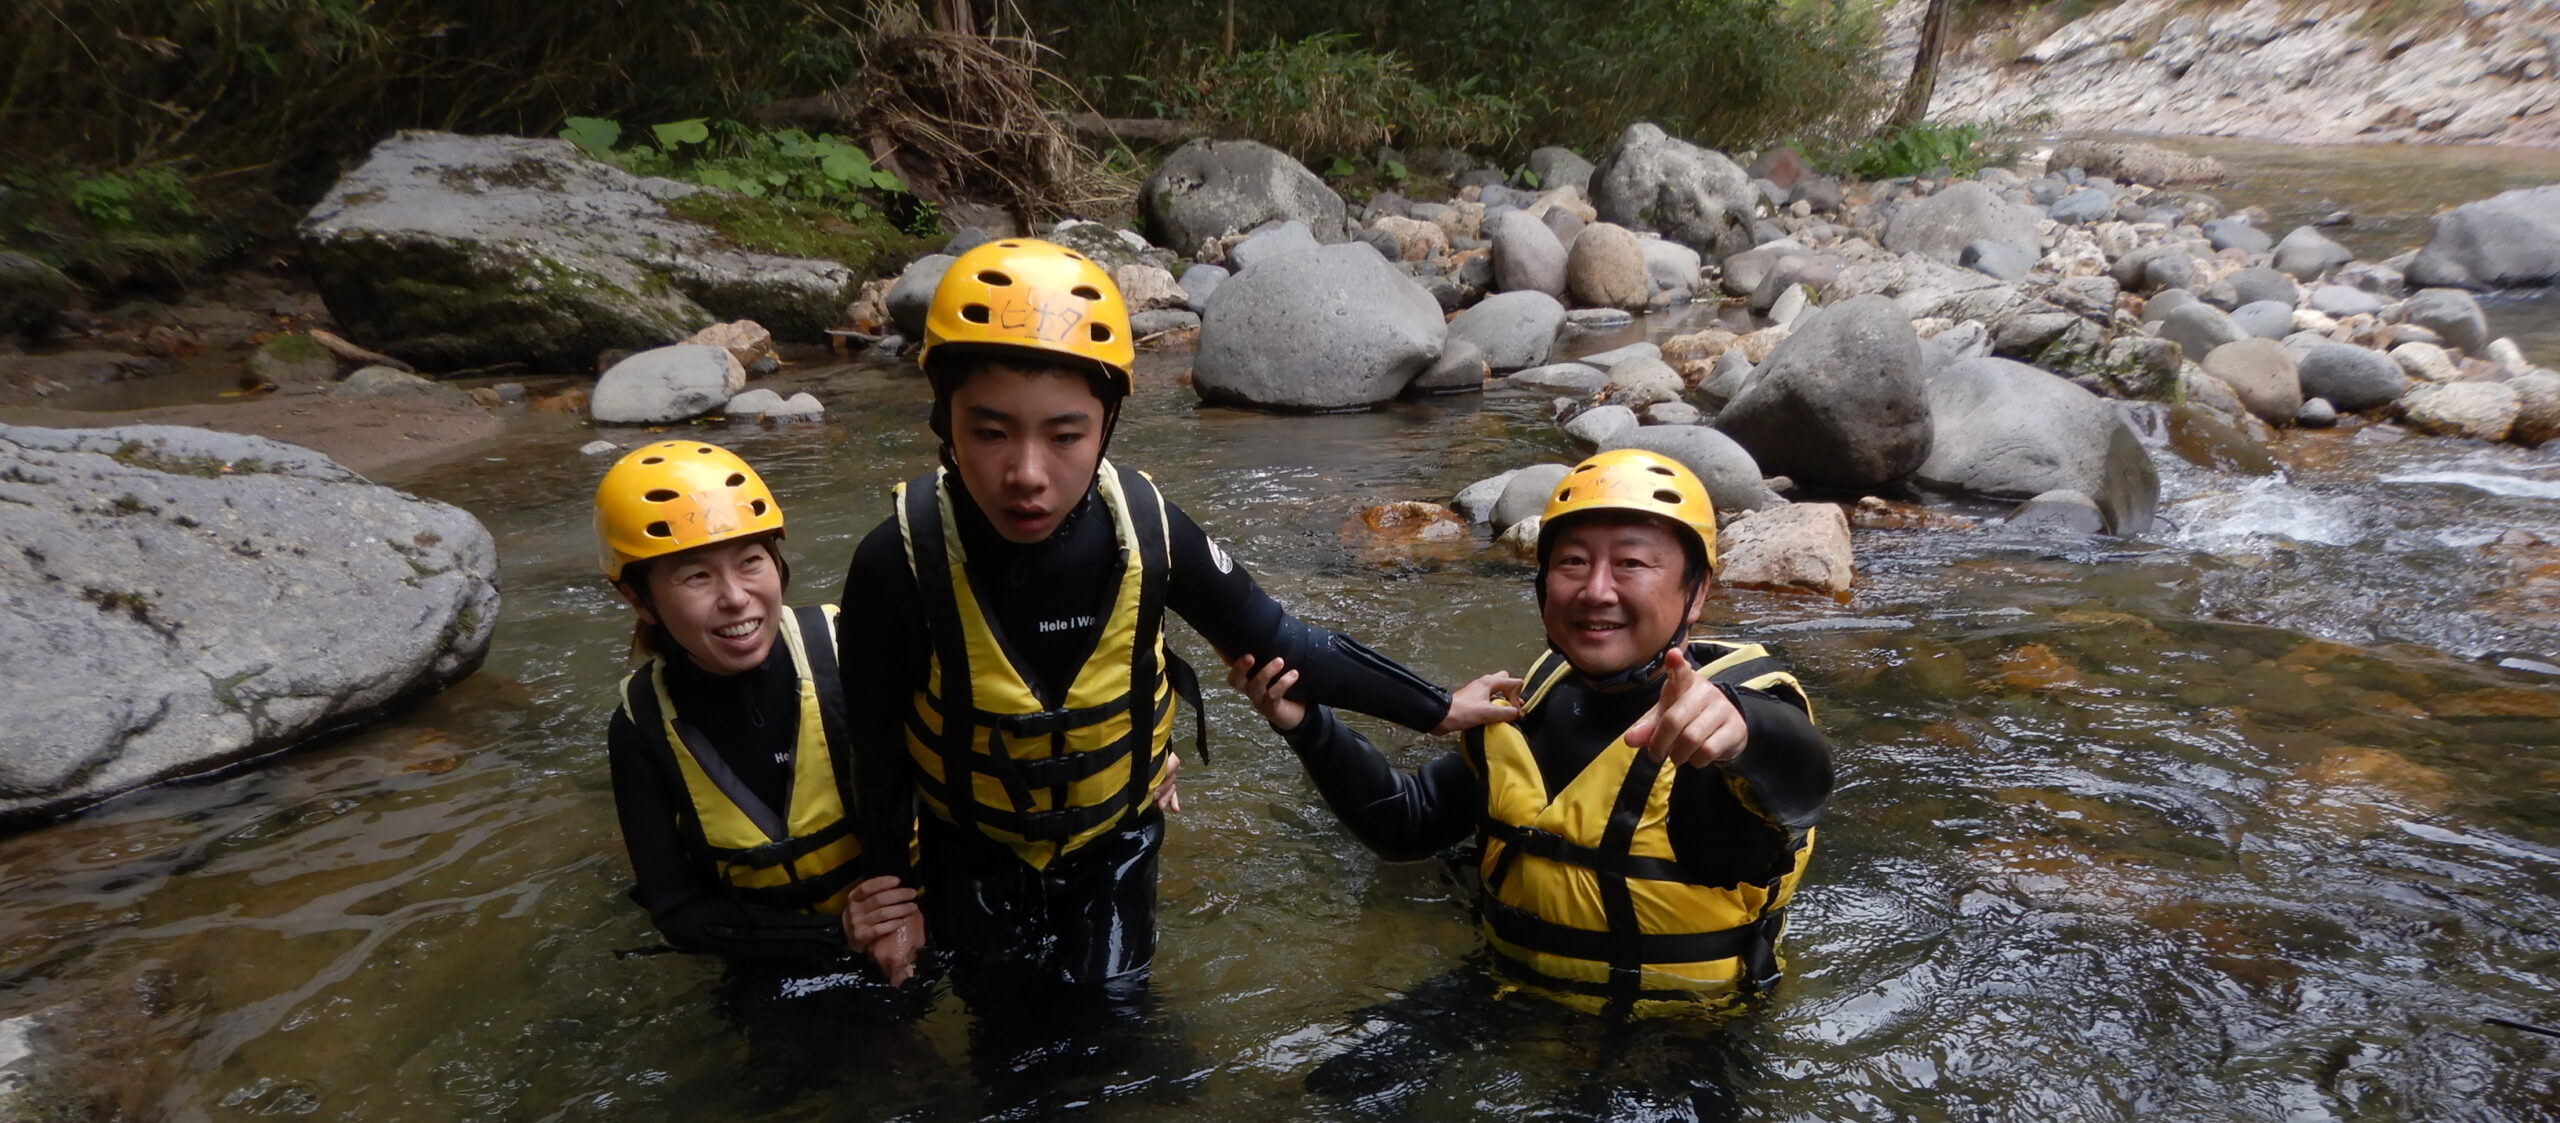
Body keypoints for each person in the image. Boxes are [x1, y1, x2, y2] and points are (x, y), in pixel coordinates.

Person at [834, 240, 1741, 1015]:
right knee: (997, 1034)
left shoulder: (1151, 532)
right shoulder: (897, 562)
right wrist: (890, 888)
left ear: (1107, 425)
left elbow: (1283, 642)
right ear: (942, 420)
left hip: (1113, 839)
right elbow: (874, 744)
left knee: (1113, 1033)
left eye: (1064, 435)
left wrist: (1437, 709)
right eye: (990, 432)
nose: (1026, 473)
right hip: (972, 849)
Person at [1231, 448, 1833, 1016]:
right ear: (1542, 585)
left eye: (1632, 562)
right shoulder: (1540, 697)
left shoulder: (1737, 715)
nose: (1596, 590)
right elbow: (1407, 825)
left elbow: (1799, 777)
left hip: (1678, 1038)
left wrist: (1739, 728)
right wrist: (1305, 724)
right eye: (1572, 562)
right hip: (1509, 990)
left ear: (1696, 591)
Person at [599, 440, 920, 1002]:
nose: (735, 598)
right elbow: (678, 911)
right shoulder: (640, 727)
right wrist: (835, 934)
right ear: (640, 600)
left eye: (751, 562)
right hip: (776, 956)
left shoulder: (850, 647)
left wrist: (901, 911)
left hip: (915, 920)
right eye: (696, 577)